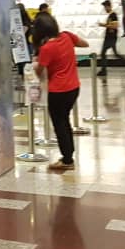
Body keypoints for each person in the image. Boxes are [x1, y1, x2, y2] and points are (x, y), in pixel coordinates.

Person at [33, 12, 88, 170]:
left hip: (57, 91)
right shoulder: (66, 36)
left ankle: (67, 160)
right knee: (65, 121)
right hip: (73, 88)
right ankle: (68, 155)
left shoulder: (46, 48)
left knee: (60, 124)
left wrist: (36, 65)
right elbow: (84, 44)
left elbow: (39, 70)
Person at [97, 0, 125, 77]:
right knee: (110, 54)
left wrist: (103, 25)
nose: (105, 9)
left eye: (105, 7)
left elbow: (115, 26)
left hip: (111, 38)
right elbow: (111, 25)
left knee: (105, 53)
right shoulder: (111, 15)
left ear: (109, 6)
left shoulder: (113, 15)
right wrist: (104, 24)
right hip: (110, 37)